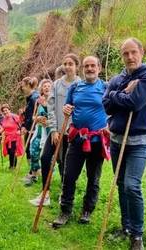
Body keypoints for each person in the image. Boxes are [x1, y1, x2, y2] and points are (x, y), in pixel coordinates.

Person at [102, 37, 146, 250]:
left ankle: (137, 234)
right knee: (120, 183)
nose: (130, 57)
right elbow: (106, 106)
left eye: (133, 52)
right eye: (125, 53)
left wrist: (120, 97)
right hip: (117, 139)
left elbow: (136, 103)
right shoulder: (118, 79)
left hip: (139, 140)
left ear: (141, 52)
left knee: (131, 185)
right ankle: (125, 227)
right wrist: (124, 92)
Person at [52, 56, 110, 228]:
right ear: (83, 69)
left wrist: (110, 124)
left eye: (93, 66)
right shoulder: (75, 87)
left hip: (97, 140)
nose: (90, 69)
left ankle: (87, 210)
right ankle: (65, 211)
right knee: (69, 176)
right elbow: (67, 107)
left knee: (94, 178)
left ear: (99, 67)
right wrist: (65, 109)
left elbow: (113, 110)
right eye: (86, 66)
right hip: (77, 139)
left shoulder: (106, 88)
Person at [30, 53, 81, 207]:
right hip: (56, 131)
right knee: (45, 158)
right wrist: (53, 130)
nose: (67, 66)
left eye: (70, 63)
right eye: (65, 63)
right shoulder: (57, 84)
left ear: (76, 66)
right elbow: (51, 108)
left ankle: (64, 194)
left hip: (71, 132)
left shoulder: (81, 84)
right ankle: (45, 194)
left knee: (66, 164)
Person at [24, 79, 52, 186]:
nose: (46, 87)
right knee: (33, 149)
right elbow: (33, 116)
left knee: (48, 155)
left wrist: (48, 120)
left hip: (50, 130)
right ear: (41, 88)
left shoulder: (54, 100)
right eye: (44, 86)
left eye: (48, 86)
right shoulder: (38, 101)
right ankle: (34, 175)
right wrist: (37, 118)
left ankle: (47, 177)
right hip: (39, 129)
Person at [20, 77, 40, 182]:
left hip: (33, 128)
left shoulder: (34, 97)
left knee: (32, 150)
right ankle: (32, 171)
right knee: (28, 150)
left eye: (23, 85)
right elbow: (27, 115)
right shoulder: (29, 97)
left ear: (28, 85)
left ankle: (34, 174)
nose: (22, 88)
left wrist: (27, 128)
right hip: (29, 128)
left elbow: (33, 115)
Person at [0, 104, 24, 169]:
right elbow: (3, 128)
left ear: (9, 110)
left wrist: (20, 131)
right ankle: (11, 165)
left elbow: (22, 123)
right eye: (3, 111)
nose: (5, 112)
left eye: (6, 110)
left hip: (15, 137)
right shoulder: (4, 119)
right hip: (8, 138)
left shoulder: (15, 116)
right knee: (10, 152)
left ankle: (12, 167)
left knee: (13, 152)